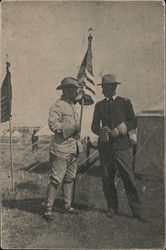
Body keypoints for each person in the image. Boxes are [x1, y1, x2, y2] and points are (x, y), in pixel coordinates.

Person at [91, 74, 144, 221]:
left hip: (122, 147)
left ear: (114, 87)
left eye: (108, 87)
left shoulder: (125, 102)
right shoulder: (99, 105)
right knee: (107, 179)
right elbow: (94, 126)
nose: (105, 90)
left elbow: (133, 121)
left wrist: (122, 128)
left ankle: (137, 212)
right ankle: (112, 208)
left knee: (128, 178)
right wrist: (101, 131)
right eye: (104, 87)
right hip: (105, 148)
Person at [44, 77, 81, 220]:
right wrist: (72, 128)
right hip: (60, 149)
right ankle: (48, 208)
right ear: (65, 90)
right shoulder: (57, 106)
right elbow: (53, 126)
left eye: (76, 89)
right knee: (55, 179)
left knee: (70, 178)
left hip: (74, 148)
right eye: (73, 89)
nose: (75, 92)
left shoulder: (73, 107)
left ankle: (67, 205)